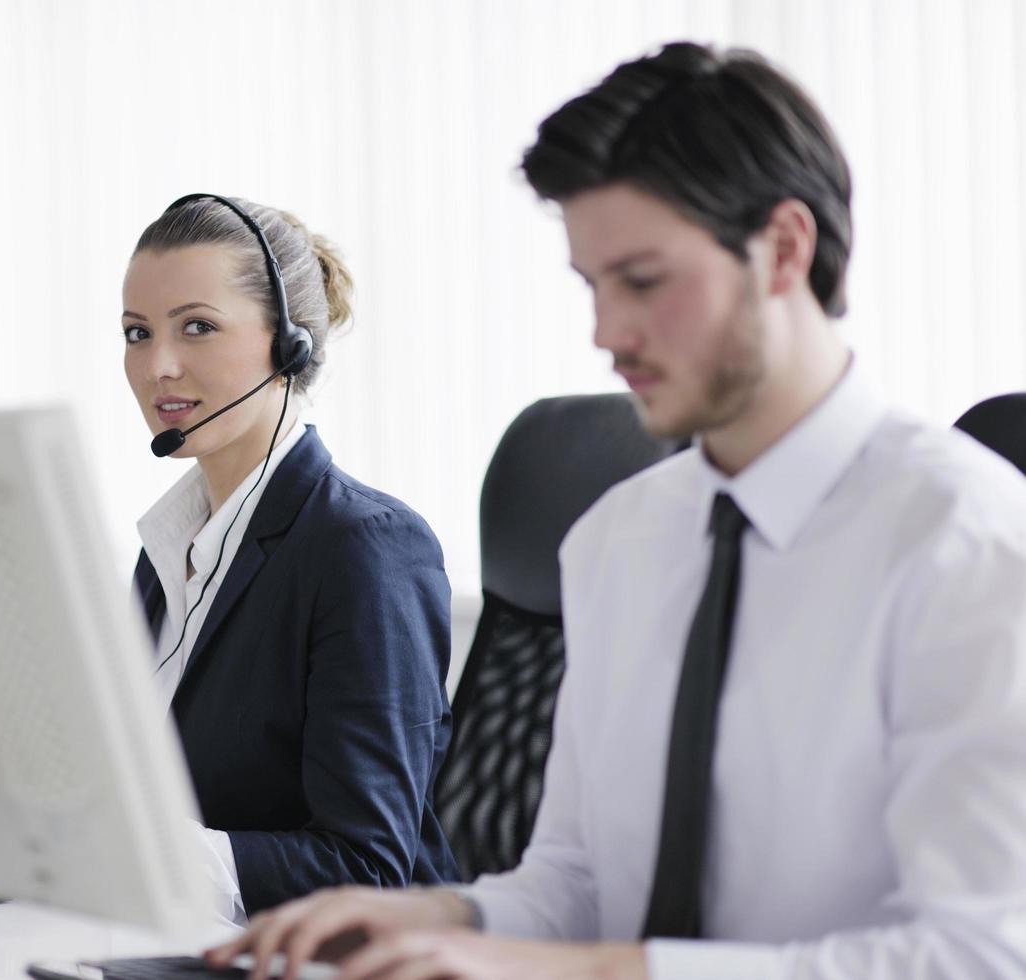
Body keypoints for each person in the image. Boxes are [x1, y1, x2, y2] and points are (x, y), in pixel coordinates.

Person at [208, 42, 1026, 979]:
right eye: (590, 287)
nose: (605, 334)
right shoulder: (618, 540)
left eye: (642, 281)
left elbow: (982, 954)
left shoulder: (967, 542)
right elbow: (578, 881)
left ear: (786, 250)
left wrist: (594, 973)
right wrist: (433, 918)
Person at [123, 194, 458, 923]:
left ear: (289, 346)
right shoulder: (164, 554)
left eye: (198, 328)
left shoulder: (365, 549)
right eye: (137, 333)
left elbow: (366, 868)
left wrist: (142, 853)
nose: (159, 366)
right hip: (177, 943)